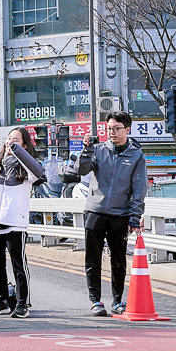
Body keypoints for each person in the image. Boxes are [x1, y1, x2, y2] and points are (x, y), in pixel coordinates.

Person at [75, 111, 147, 317]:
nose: (112, 133)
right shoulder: (98, 150)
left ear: (127, 130)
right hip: (94, 211)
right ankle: (95, 300)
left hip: (120, 214)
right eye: (109, 129)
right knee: (92, 259)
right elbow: (80, 170)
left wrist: (134, 217)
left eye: (116, 129)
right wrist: (86, 149)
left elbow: (139, 189)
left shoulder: (136, 156)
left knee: (118, 260)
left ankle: (117, 301)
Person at [0, 127, 45, 319]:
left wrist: (18, 152)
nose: (10, 141)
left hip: (15, 222)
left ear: (24, 144)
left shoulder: (26, 167)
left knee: (18, 265)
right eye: (9, 138)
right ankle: (2, 301)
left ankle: (22, 304)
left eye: (16, 140)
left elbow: (38, 172)